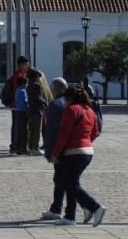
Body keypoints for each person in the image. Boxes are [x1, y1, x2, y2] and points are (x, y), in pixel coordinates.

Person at [49, 86, 106, 227]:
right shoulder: (90, 110)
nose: (64, 103)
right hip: (87, 151)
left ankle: (95, 207)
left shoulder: (71, 110)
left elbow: (64, 135)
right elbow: (95, 132)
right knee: (71, 183)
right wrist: (86, 140)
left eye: (65, 100)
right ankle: (70, 216)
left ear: (69, 99)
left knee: (71, 184)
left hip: (73, 152)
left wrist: (55, 154)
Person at [41, 77, 69, 220]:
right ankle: (58, 208)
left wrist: (50, 152)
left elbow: (52, 131)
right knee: (68, 180)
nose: (50, 93)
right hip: (73, 147)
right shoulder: (70, 103)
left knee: (61, 180)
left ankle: (56, 209)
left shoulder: (56, 105)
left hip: (60, 148)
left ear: (57, 89)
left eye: (51, 90)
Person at [8, 56, 30, 154]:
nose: (27, 66)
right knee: (17, 126)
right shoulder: (19, 76)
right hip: (17, 105)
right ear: (20, 64)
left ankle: (15, 144)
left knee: (16, 125)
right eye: (26, 64)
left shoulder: (22, 74)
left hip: (17, 104)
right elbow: (20, 91)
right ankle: (15, 145)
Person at [27, 68, 47, 156]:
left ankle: (31, 147)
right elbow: (38, 97)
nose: (39, 79)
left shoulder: (29, 85)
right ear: (36, 76)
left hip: (31, 110)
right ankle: (36, 147)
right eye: (38, 77)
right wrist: (45, 102)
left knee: (32, 130)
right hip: (37, 110)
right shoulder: (37, 85)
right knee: (37, 130)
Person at [14, 77, 30, 155]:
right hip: (23, 112)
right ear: (22, 83)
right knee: (25, 131)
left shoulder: (17, 91)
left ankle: (19, 148)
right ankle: (24, 148)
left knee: (20, 130)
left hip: (18, 111)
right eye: (26, 83)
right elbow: (25, 102)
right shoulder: (23, 91)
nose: (27, 85)